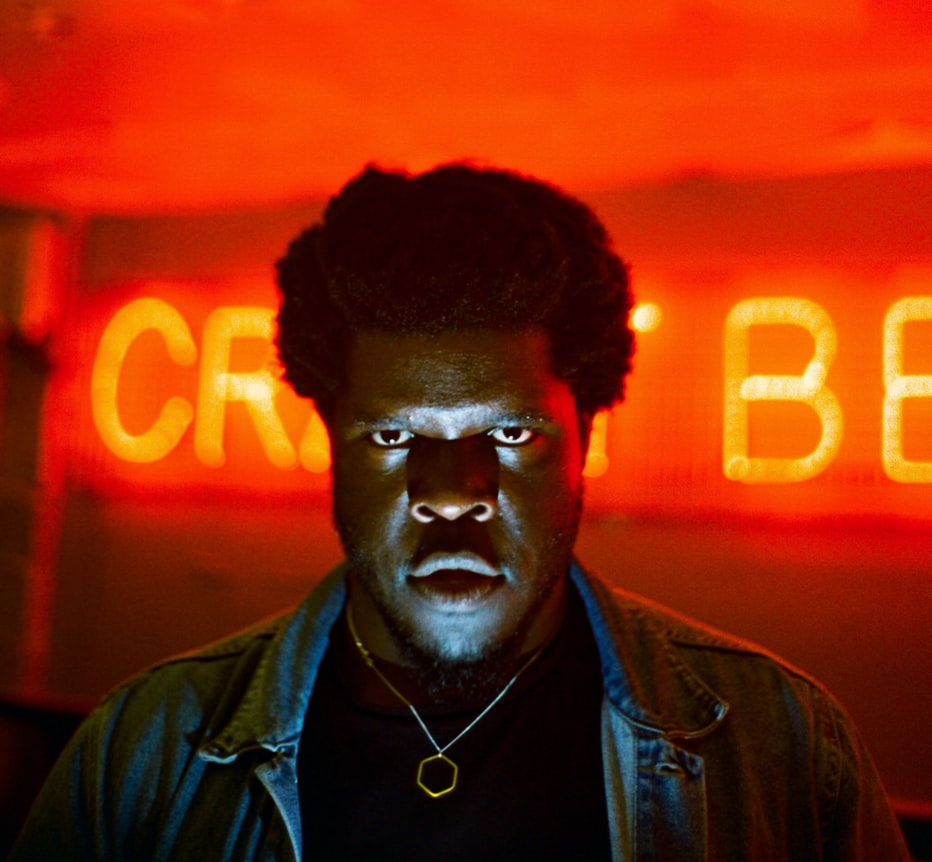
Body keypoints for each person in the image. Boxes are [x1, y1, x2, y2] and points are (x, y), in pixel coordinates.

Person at [12, 163, 909, 860]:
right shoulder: (142, 755)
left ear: (585, 436)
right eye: (394, 437)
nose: (449, 492)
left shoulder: (783, 748)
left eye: (510, 435)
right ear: (329, 441)